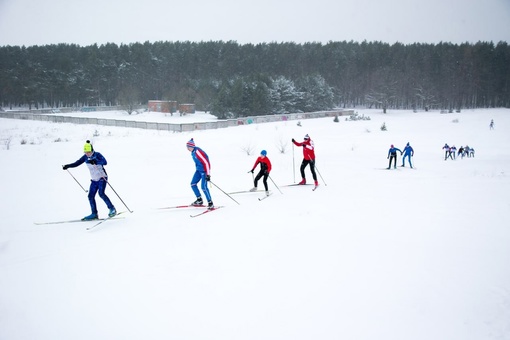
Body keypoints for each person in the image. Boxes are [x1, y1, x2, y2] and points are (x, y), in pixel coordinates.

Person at [62, 140, 116, 220]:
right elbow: (77, 163)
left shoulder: (97, 155)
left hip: (102, 177)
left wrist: (96, 161)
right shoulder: (85, 157)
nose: (87, 153)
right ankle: (94, 214)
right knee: (90, 196)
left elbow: (105, 162)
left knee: (101, 193)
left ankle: (112, 209)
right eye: (85, 152)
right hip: (94, 179)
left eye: (88, 152)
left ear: (92, 150)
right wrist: (68, 166)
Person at [186, 138, 214, 209]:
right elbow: (197, 162)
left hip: (204, 171)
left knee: (203, 187)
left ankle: (210, 203)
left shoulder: (197, 151)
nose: (187, 148)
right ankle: (199, 200)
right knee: (193, 184)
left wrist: (208, 174)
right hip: (198, 170)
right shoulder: (192, 152)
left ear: (191, 146)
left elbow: (206, 162)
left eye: (188, 147)